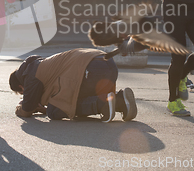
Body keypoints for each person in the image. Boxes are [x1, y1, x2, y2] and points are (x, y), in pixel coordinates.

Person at [9, 48, 137, 123]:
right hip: (107, 64)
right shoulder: (41, 65)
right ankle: (120, 101)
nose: (25, 94)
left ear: (21, 86)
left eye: (22, 93)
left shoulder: (30, 76)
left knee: (54, 111)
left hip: (91, 70)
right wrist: (42, 109)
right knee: (66, 100)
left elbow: (26, 111)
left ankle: (101, 104)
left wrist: (20, 106)